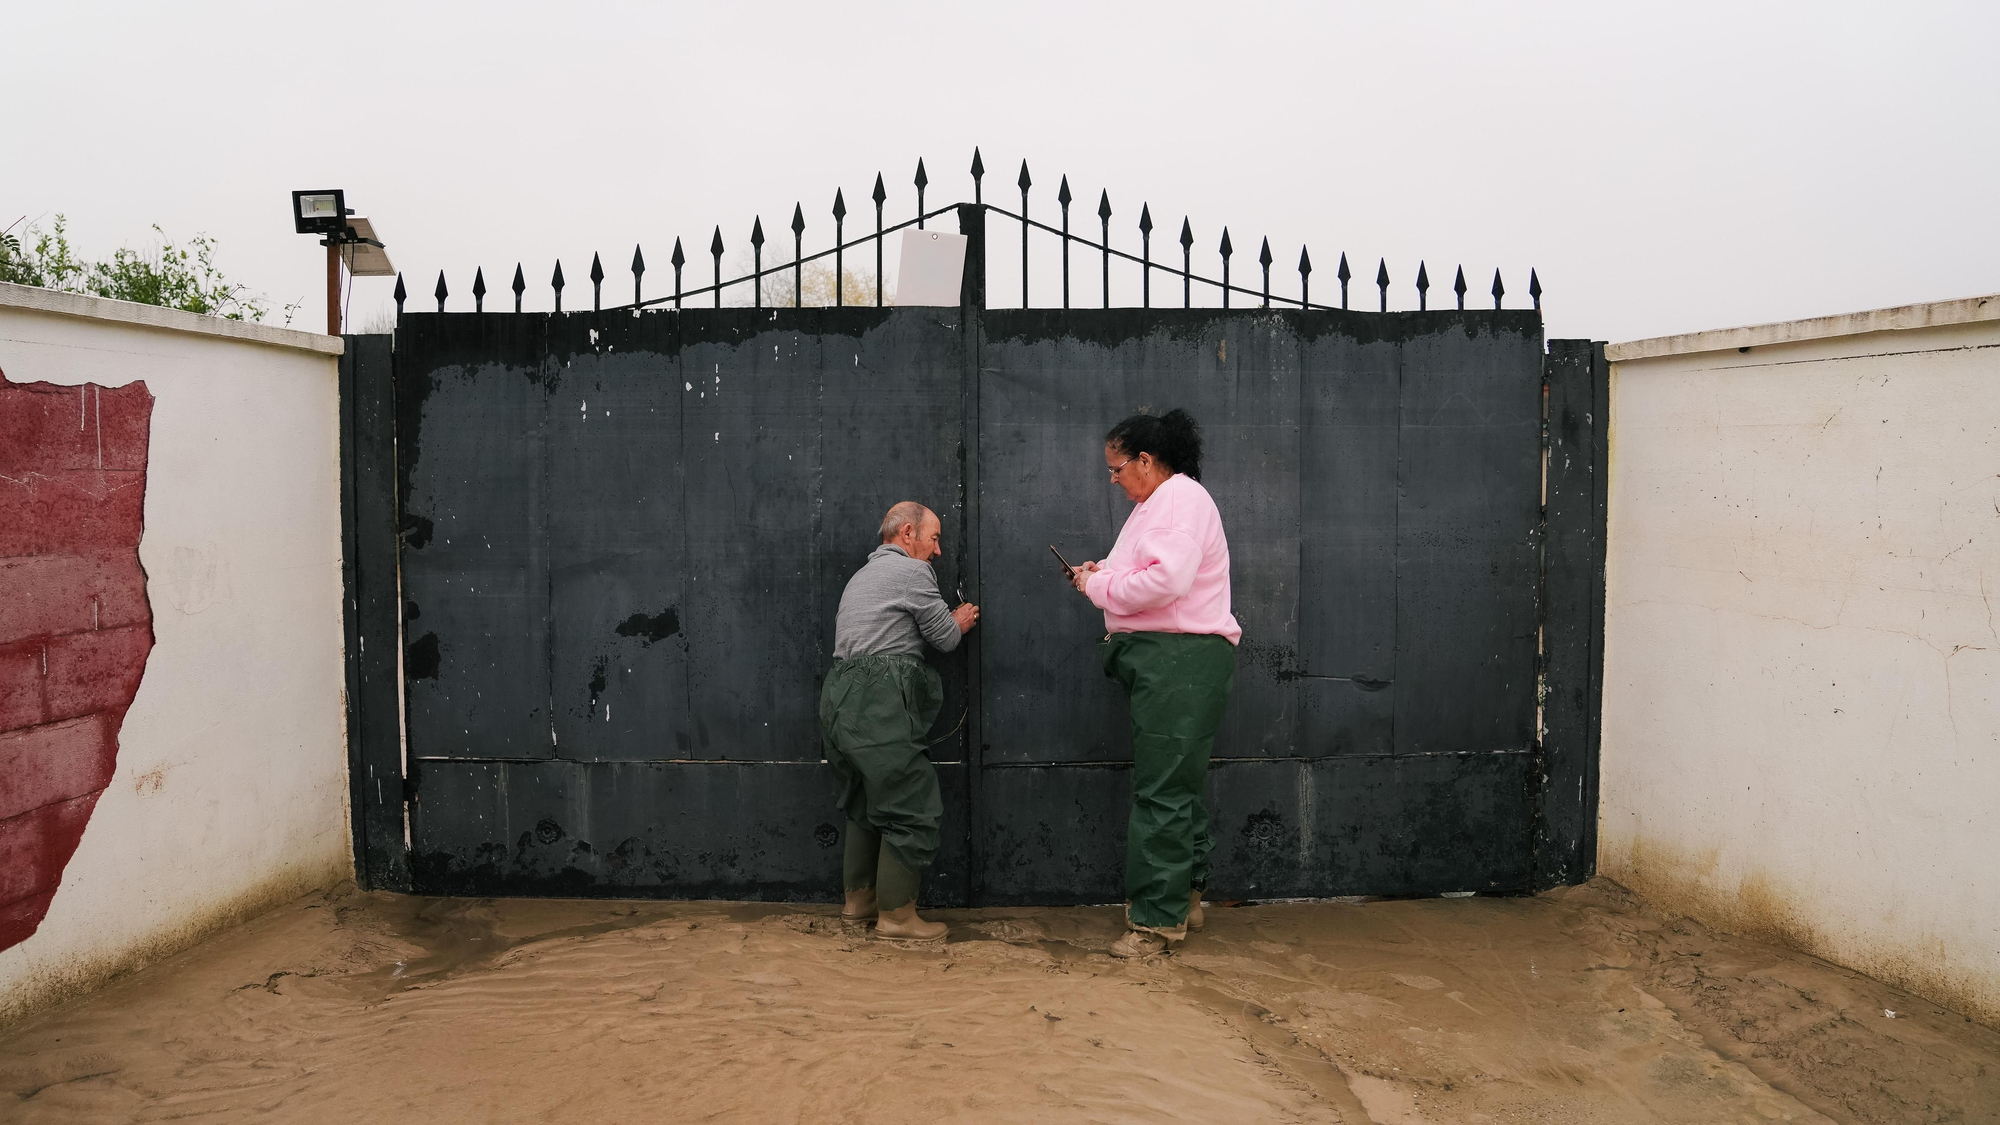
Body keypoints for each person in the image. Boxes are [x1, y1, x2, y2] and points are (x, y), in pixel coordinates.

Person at [1068, 409, 1240, 958]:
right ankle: (1182, 899)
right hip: (1175, 659)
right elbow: (1147, 575)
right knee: (1176, 786)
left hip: (1177, 659)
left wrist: (1097, 587)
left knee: (1162, 791)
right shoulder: (1161, 505)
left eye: (1117, 468)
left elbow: (1165, 581)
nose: (1112, 479)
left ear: (1146, 460)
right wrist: (1103, 576)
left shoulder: (1176, 500)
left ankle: (1154, 926)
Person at [821, 501, 978, 943]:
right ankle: (897, 918)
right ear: (908, 534)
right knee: (910, 802)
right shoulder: (912, 573)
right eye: (934, 538)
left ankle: (859, 904)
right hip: (877, 698)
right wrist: (959, 620)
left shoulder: (861, 577)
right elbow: (944, 638)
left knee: (864, 801)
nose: (938, 550)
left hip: (838, 696)